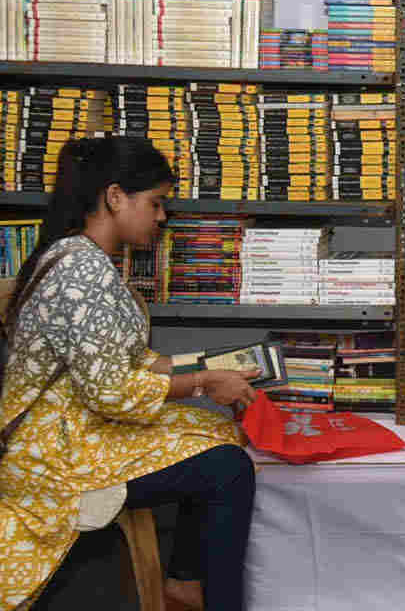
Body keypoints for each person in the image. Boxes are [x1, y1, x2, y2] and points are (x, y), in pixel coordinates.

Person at [0, 136, 258, 611]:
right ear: (115, 197)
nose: (161, 217)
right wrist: (202, 382)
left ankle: (183, 580)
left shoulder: (84, 260)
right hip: (56, 452)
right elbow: (112, 391)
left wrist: (214, 367)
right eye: (156, 203)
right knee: (228, 468)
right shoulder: (81, 271)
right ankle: (211, 595)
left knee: (220, 432)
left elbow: (130, 361)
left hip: (76, 429)